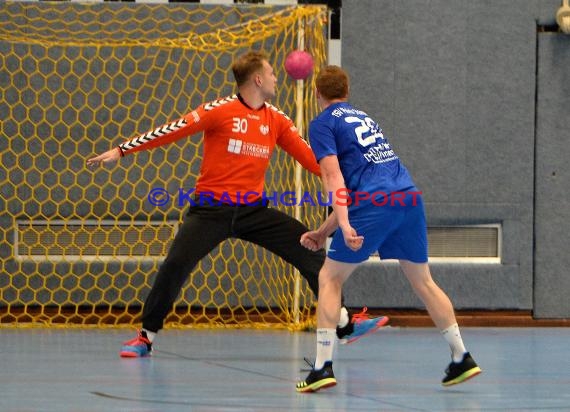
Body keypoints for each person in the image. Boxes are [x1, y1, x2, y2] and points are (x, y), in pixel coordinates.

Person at [86, 51, 388, 358]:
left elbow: (314, 160)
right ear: (257, 79)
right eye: (271, 73)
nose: (275, 77)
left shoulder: (276, 120)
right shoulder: (219, 111)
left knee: (310, 251)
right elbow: (172, 130)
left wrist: (353, 174)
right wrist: (122, 150)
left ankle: (344, 323)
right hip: (210, 211)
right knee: (175, 265)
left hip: (253, 212)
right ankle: (146, 336)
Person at [295, 66, 481, 393]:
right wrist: (326, 231)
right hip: (408, 198)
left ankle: (322, 367)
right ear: (347, 91)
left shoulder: (323, 123)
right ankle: (461, 355)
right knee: (423, 281)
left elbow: (334, 178)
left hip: (374, 203)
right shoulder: (365, 119)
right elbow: (364, 180)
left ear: (316, 93)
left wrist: (347, 224)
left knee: (329, 278)